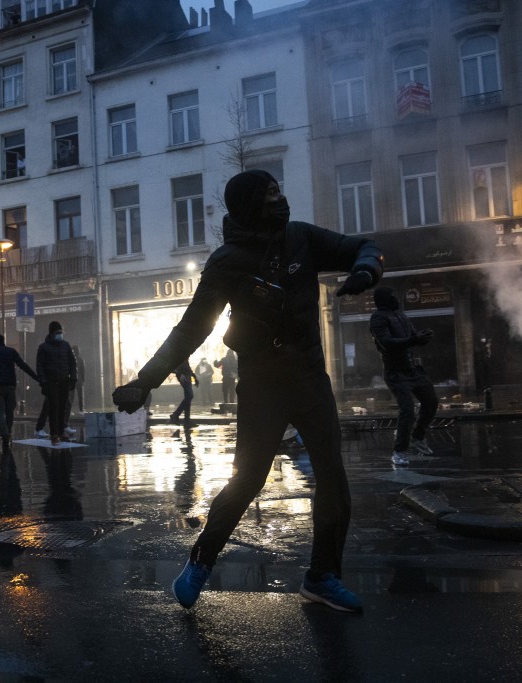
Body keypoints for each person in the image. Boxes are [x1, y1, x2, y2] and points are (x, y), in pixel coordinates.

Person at [112, 169, 384, 613]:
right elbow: (193, 327)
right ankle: (200, 561)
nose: (280, 199)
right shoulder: (228, 261)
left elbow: (362, 246)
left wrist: (365, 269)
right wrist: (145, 380)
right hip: (263, 384)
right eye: (271, 193)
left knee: (332, 477)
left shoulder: (300, 238)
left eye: (280, 189)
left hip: (311, 378)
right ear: (249, 205)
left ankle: (323, 576)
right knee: (248, 478)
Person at [369, 286, 438, 466]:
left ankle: (418, 436)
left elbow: (412, 337)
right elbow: (387, 343)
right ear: (384, 299)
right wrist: (414, 340)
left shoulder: (400, 315)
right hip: (396, 372)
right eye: (392, 296)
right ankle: (399, 451)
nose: (397, 299)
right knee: (407, 410)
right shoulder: (378, 318)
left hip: (413, 369)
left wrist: (421, 337)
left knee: (431, 402)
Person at [0, 332, 39, 447]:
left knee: (0, 411)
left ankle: (4, 435)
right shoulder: (11, 352)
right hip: (10, 385)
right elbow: (22, 365)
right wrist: (35, 376)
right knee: (10, 411)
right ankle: (8, 432)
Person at [35, 321, 77, 446]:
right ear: (52, 333)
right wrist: (43, 382)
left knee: (62, 408)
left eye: (61, 332)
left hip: (64, 381)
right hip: (51, 382)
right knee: (54, 408)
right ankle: (54, 434)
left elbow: (72, 363)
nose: (60, 334)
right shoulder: (44, 347)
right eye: (58, 332)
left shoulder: (66, 345)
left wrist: (73, 378)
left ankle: (60, 432)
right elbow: (40, 366)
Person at [168, 359, 198, 427]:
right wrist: (179, 374)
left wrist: (194, 376)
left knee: (188, 397)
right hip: (183, 376)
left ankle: (186, 420)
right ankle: (175, 415)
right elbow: (173, 364)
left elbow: (187, 365)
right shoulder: (179, 352)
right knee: (189, 396)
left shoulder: (185, 353)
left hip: (187, 375)